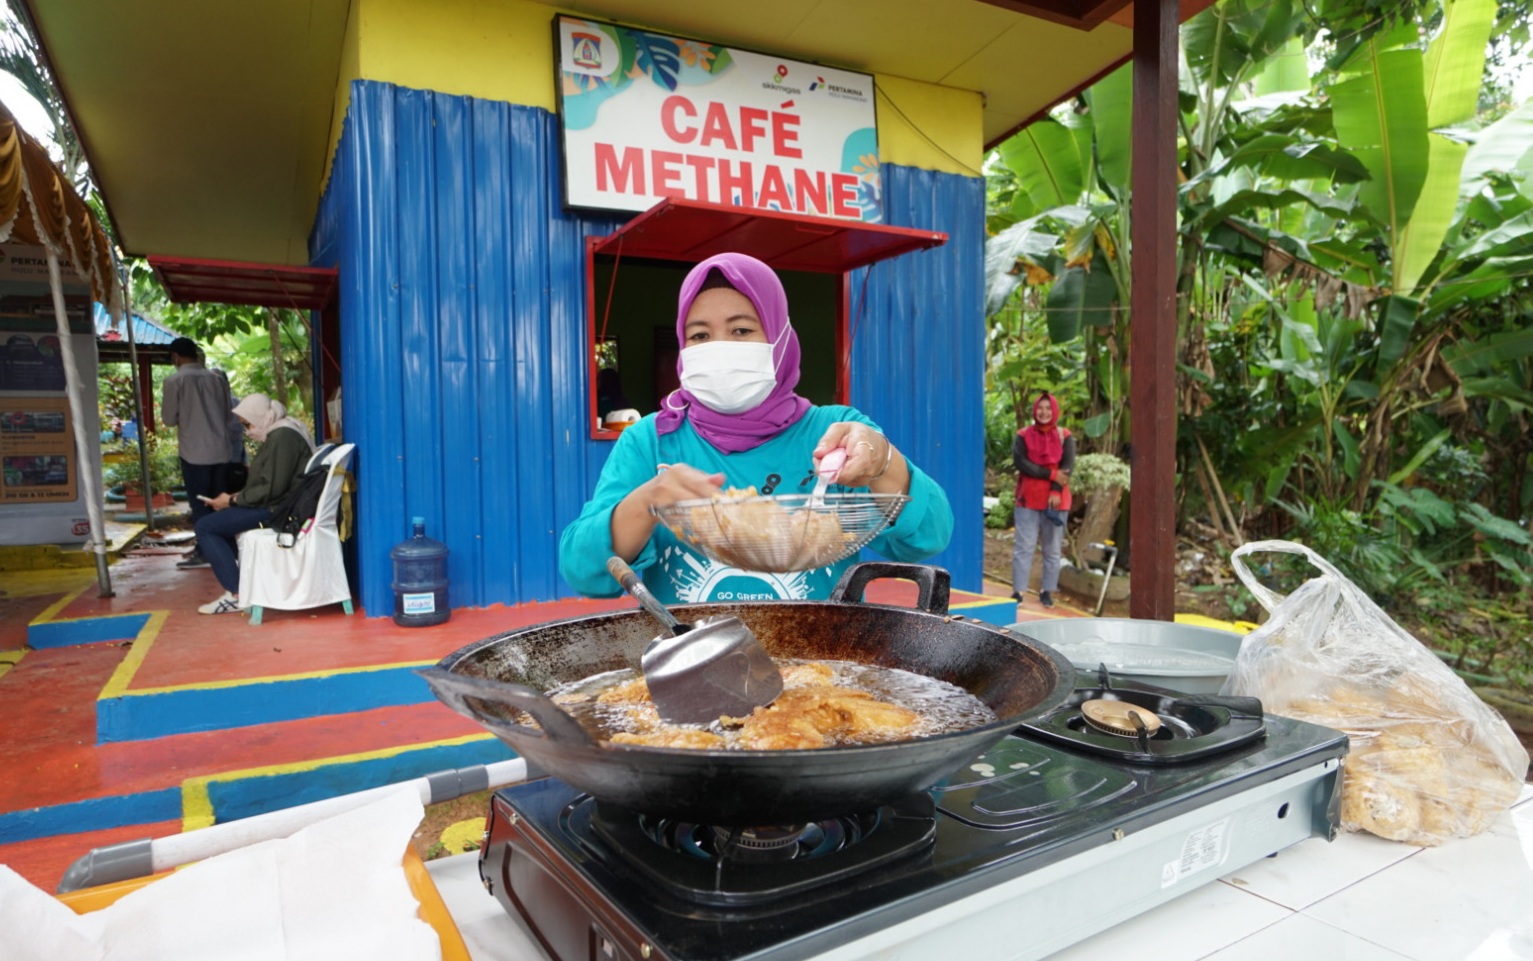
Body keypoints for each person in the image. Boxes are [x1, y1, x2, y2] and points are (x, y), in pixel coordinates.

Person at [560, 252, 953, 604]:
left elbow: (928, 537)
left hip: (826, 659)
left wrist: (883, 461)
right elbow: (584, 571)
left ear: (780, 337)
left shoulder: (836, 435)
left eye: (741, 330)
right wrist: (649, 501)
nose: (719, 348)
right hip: (689, 658)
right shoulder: (651, 442)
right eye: (700, 335)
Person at [192, 393, 314, 614]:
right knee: (219, 524)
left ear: (260, 417)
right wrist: (236, 498)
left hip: (279, 510)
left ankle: (237, 594)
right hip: (281, 504)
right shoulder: (282, 430)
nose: (247, 431)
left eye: (248, 424)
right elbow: (271, 483)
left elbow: (272, 489)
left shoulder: (282, 437)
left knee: (206, 527)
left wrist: (232, 500)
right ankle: (243, 585)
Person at [161, 337, 233, 569]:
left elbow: (168, 419)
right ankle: (225, 547)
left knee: (200, 504)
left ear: (175, 356)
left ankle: (206, 551)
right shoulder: (217, 379)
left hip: (194, 453)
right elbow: (228, 415)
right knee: (221, 502)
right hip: (221, 450)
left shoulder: (174, 381)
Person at [1011, 392, 1074, 608]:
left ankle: (1047, 591)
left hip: (1056, 501)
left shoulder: (1065, 436)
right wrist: (1051, 474)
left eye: (1048, 408)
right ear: (1034, 410)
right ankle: (1018, 591)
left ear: (1054, 411)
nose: (1044, 412)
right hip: (1027, 498)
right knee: (1024, 547)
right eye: (1040, 408)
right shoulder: (1023, 435)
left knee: (1053, 549)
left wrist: (1056, 490)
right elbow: (1021, 463)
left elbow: (1067, 467)